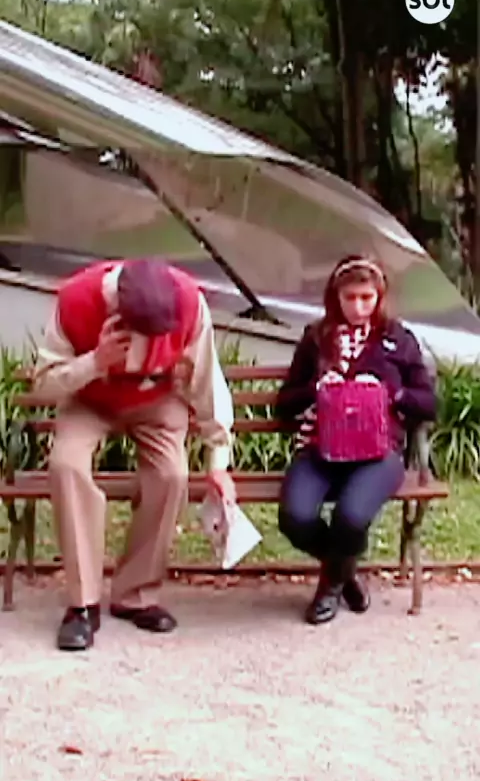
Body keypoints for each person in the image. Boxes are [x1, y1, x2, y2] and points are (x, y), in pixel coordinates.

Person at [33, 257, 235, 651]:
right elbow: (44, 385)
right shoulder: (75, 300)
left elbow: (206, 382)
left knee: (171, 476)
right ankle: (82, 605)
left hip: (156, 398)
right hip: (89, 398)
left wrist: (218, 462)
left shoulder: (190, 303)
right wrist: (95, 362)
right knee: (67, 466)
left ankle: (135, 595)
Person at [275, 255, 436, 625]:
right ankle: (346, 571)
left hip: (378, 453)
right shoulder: (317, 338)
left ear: (380, 297)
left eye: (367, 298)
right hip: (319, 449)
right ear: (336, 296)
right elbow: (284, 405)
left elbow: (428, 404)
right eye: (350, 298)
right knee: (295, 518)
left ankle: (330, 587)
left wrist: (390, 392)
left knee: (350, 517)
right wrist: (316, 390)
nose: (359, 307)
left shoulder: (397, 338)